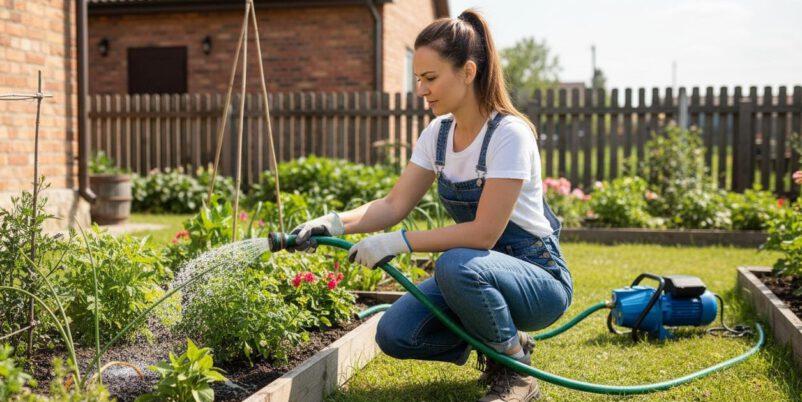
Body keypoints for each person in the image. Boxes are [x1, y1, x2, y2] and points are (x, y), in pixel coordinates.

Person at [288, 9, 573, 402]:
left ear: (469, 71)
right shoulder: (438, 134)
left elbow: (484, 233)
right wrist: (333, 223)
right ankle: (502, 336)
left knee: (455, 263)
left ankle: (516, 372)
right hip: (474, 274)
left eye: (431, 78)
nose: (421, 88)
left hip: (537, 280)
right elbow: (393, 204)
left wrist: (396, 242)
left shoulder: (509, 135)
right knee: (396, 333)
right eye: (418, 78)